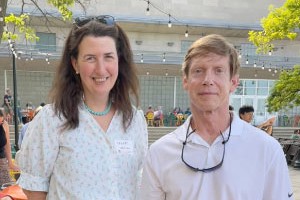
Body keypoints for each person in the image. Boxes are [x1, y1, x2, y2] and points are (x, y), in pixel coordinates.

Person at [140, 34, 293, 199]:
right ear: (186, 81)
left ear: (233, 82)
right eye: (198, 71)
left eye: (218, 71)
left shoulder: (266, 149)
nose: (208, 80)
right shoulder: (160, 152)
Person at [16, 15, 148, 199]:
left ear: (119, 61)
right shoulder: (52, 119)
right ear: (75, 63)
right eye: (90, 58)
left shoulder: (134, 121)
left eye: (108, 57)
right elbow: (34, 187)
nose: (101, 69)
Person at [0, 109, 19, 187]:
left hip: (2, 160)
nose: (0, 123)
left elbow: (7, 145)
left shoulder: (4, 124)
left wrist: (10, 163)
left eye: (1, 121)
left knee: (6, 188)